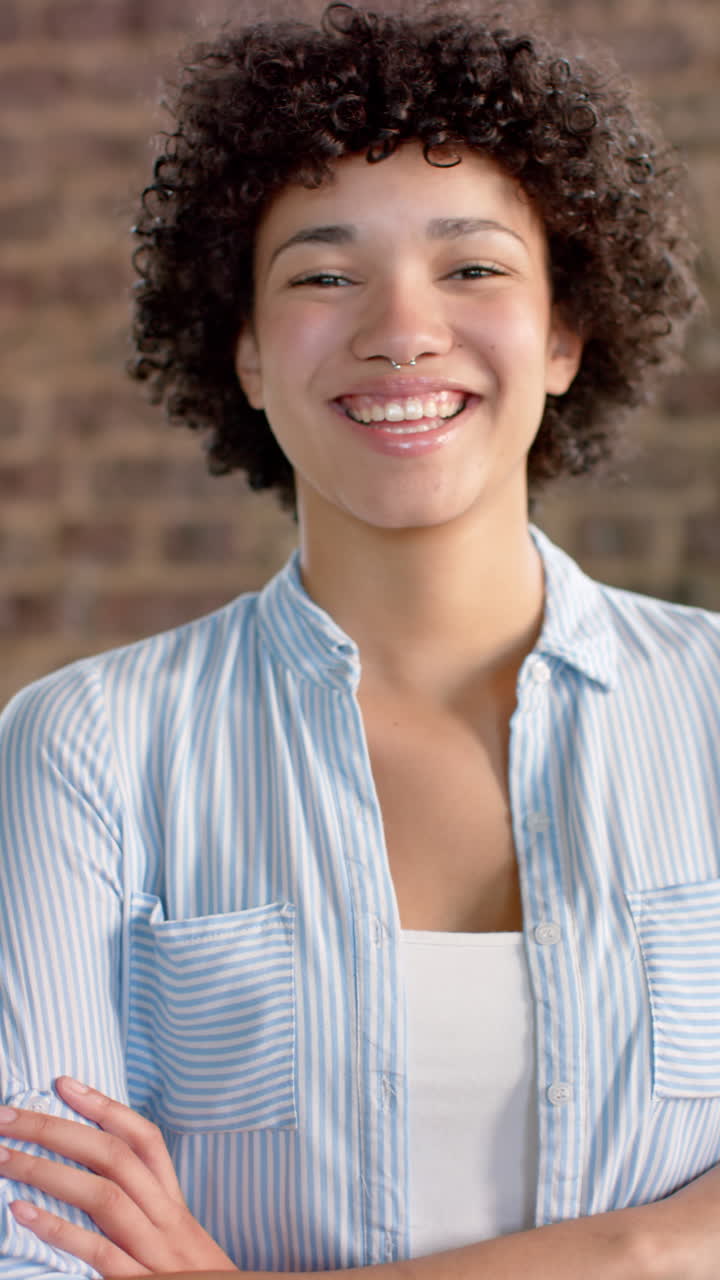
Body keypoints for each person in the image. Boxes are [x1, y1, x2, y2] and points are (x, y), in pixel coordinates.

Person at [0, 2, 719, 1277]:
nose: (401, 325)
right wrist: (665, 1242)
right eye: (324, 273)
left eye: (474, 266)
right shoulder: (86, 750)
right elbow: (41, 1242)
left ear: (563, 333)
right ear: (247, 351)